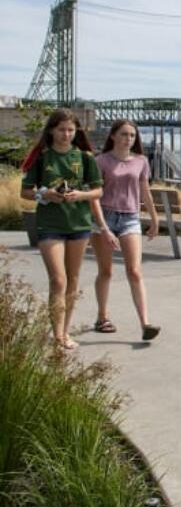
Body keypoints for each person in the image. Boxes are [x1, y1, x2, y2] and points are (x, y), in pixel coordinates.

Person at [19, 108, 105, 350]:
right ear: (52, 130)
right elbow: (25, 192)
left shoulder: (85, 157)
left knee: (73, 279)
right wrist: (43, 194)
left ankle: (65, 331)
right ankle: (57, 335)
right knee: (58, 279)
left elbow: (98, 191)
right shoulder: (42, 157)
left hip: (78, 223)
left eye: (70, 130)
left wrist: (80, 194)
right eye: (61, 130)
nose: (66, 134)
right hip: (50, 224)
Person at [90, 119, 160, 342]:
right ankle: (102, 317)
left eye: (132, 135)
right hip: (105, 217)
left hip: (130, 218)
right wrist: (102, 226)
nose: (128, 138)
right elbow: (94, 195)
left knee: (135, 271)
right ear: (113, 136)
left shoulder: (140, 161)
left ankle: (145, 324)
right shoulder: (101, 161)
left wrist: (155, 219)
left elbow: (145, 191)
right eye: (123, 134)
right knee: (106, 271)